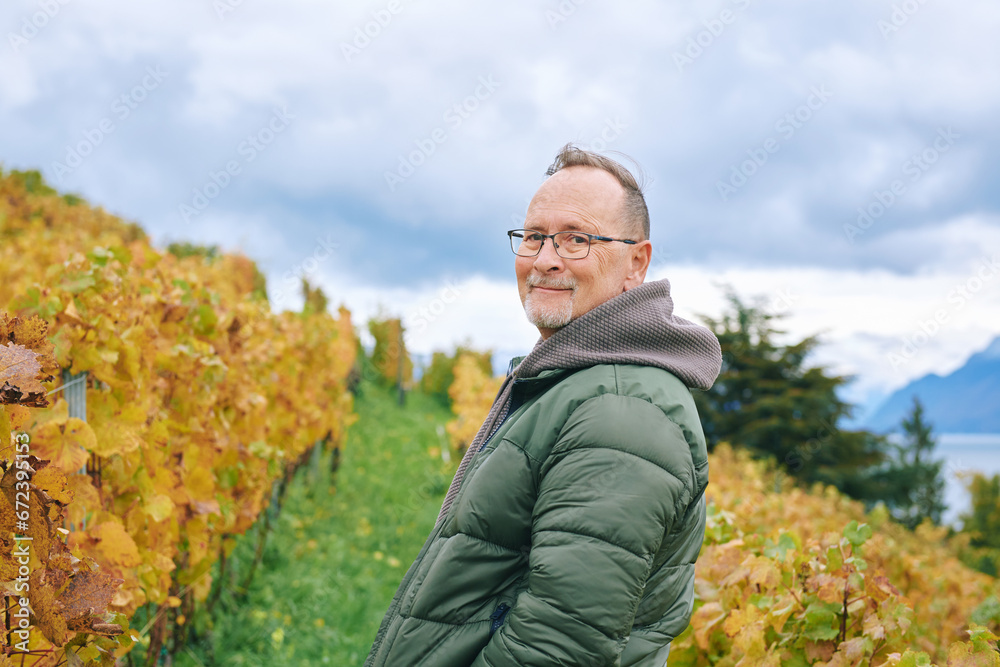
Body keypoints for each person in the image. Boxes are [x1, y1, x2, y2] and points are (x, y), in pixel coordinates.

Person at [364, 143, 722, 666]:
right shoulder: (577, 381)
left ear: (636, 263)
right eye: (534, 237)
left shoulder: (621, 413)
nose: (546, 258)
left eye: (577, 239)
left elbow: (557, 647)